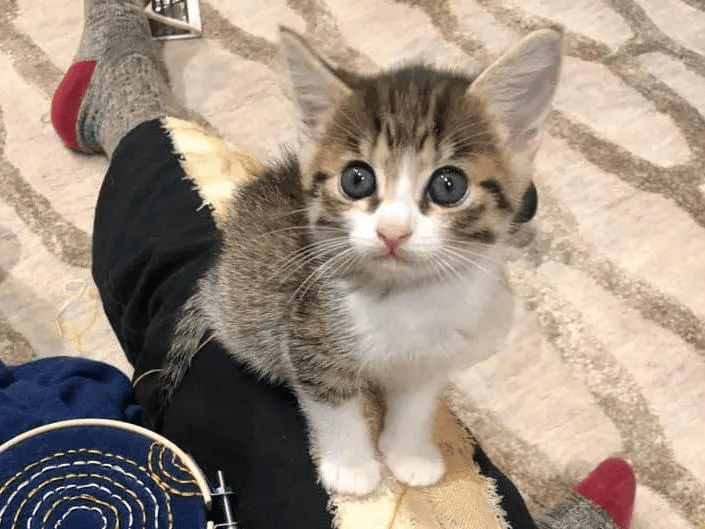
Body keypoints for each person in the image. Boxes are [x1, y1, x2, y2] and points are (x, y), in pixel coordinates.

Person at [46, 0, 637, 526]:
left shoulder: (459, 272)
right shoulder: (338, 280)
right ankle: (118, 86)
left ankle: (120, 89)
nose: (394, 228)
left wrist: (408, 438)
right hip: (256, 337)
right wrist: (348, 452)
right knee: (339, 369)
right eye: (361, 181)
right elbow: (314, 362)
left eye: (446, 185)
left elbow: (431, 363)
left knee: (429, 356)